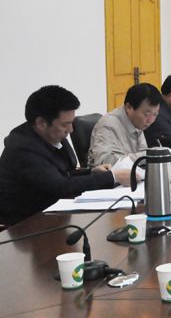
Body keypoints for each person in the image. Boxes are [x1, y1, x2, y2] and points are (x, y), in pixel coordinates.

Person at [0, 86, 132, 225]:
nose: (71, 130)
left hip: (51, 215)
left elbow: (64, 173)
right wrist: (112, 177)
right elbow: (60, 186)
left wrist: (91, 171)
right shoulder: (22, 149)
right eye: (65, 124)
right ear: (41, 123)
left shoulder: (51, 135)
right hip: (23, 225)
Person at [88, 83, 161, 167]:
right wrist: (148, 155)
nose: (151, 120)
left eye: (155, 114)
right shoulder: (108, 124)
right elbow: (105, 162)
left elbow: (142, 153)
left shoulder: (137, 122)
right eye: (146, 114)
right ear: (129, 107)